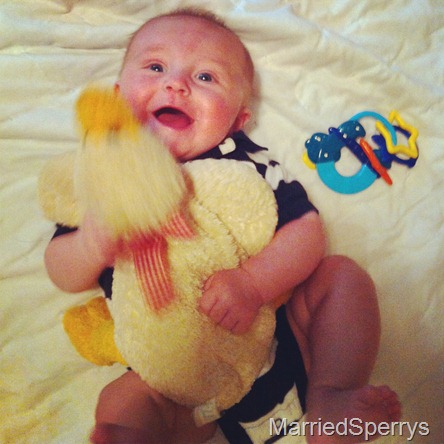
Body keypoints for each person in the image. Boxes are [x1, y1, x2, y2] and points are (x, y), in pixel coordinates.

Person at [44, 7, 401, 444]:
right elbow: (61, 270)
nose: (176, 84)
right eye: (155, 67)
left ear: (237, 119)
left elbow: (306, 232)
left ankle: (331, 397)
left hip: (282, 340)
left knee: (341, 276)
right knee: (124, 400)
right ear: (116, 98)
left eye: (206, 77)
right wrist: (93, 243)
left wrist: (252, 283)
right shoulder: (99, 173)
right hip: (178, 384)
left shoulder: (244, 162)